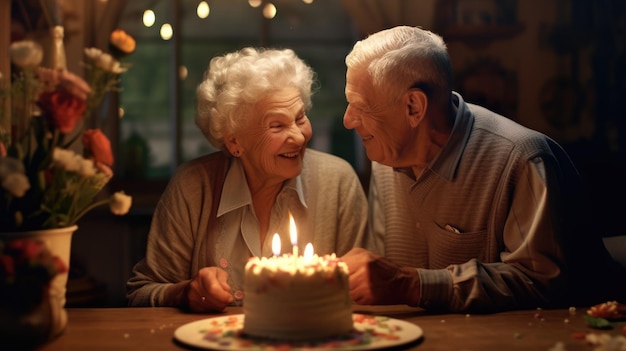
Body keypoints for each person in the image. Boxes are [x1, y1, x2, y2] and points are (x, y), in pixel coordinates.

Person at [340, 25, 626, 313]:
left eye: (359, 107)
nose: (348, 120)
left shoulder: (524, 159)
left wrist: (412, 285)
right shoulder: (386, 157)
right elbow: (387, 275)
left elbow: (543, 282)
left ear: (414, 107)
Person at [126, 47, 368, 312]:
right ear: (234, 142)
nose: (299, 138)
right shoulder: (193, 186)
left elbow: (362, 296)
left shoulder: (339, 183)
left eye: (300, 117)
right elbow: (140, 292)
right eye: (276, 126)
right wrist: (185, 293)